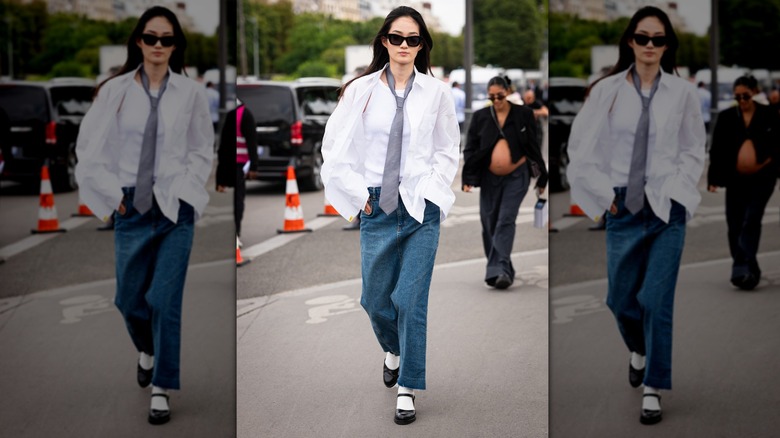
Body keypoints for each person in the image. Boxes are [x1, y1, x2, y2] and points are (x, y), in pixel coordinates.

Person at [566, 6, 705, 425]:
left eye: (658, 39)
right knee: (620, 299)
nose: (649, 45)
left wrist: (680, 191)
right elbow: (581, 148)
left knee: (656, 301)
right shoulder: (607, 90)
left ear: (667, 45)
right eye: (642, 37)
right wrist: (602, 196)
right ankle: (639, 350)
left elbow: (693, 148)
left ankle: (653, 387)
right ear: (630, 41)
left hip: (667, 207)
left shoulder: (682, 93)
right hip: (623, 206)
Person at [320, 6, 459, 425]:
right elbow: (335, 147)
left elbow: (447, 148)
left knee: (411, 301)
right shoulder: (360, 90)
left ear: (422, 45)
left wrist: (434, 189)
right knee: (375, 300)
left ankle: (408, 387)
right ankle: (394, 349)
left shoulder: (437, 93)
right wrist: (356, 195)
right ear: (384, 41)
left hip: (421, 205)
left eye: (412, 39)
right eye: (396, 38)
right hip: (376, 204)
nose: (403, 45)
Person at [75, 6, 214, 425]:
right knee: (128, 299)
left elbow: (200, 148)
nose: (157, 46)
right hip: (131, 206)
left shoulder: (189, 93)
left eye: (166, 39)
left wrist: (189, 191)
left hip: (175, 208)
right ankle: (147, 350)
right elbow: (89, 149)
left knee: (164, 301)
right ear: (138, 41)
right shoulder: (115, 90)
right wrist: (112, 196)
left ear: (175, 45)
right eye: (150, 38)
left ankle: (162, 387)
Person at [462, 76, 547, 289]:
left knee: (505, 220)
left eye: (500, 96)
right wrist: (468, 178)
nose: (496, 100)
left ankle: (498, 269)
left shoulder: (524, 114)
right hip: (489, 177)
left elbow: (534, 146)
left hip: (517, 176)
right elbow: (470, 148)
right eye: (492, 97)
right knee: (488, 223)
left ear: (508, 92)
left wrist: (542, 177)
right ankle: (504, 268)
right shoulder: (482, 116)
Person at [707, 75, 780, 290]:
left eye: (745, 96)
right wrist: (713, 179)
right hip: (735, 179)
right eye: (737, 96)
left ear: (755, 92)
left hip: (763, 179)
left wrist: (769, 162)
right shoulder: (727, 116)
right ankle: (750, 268)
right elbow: (717, 149)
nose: (741, 100)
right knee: (734, 224)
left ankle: (740, 267)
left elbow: (778, 144)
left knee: (751, 220)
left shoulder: (769, 115)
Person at [217, 99, 258, 242]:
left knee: (237, 200)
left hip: (240, 164)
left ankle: (236, 232)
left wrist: (253, 166)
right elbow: (224, 146)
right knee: (236, 200)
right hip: (235, 164)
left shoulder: (243, 114)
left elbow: (251, 142)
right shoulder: (240, 114)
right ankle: (235, 233)